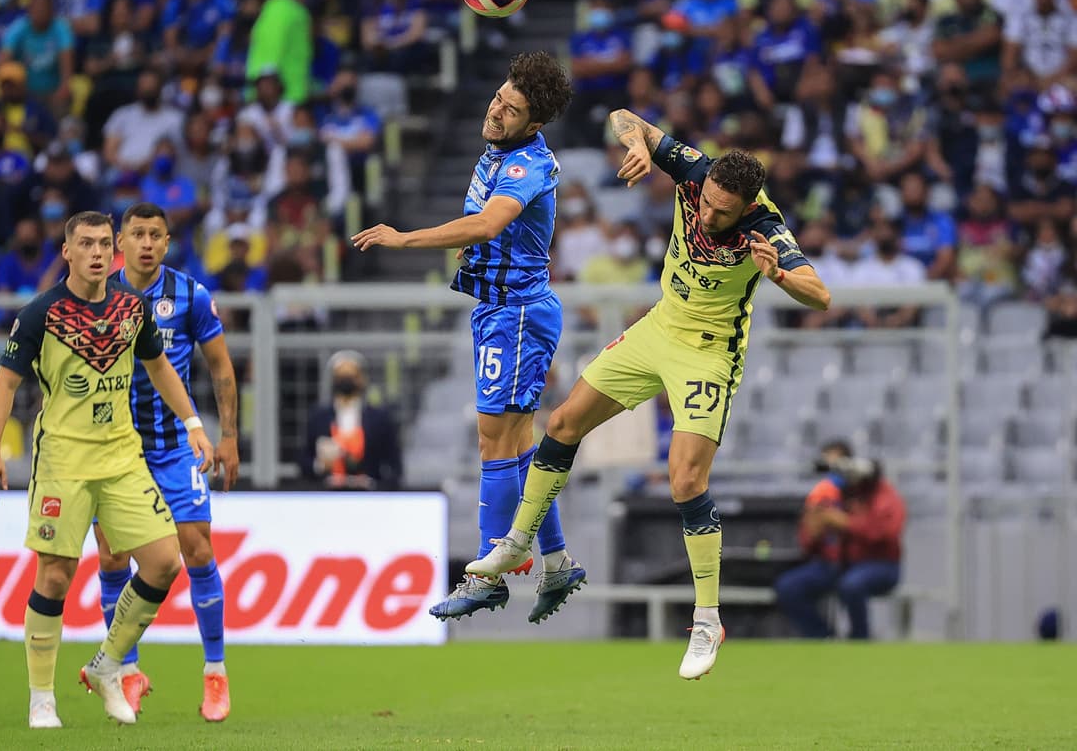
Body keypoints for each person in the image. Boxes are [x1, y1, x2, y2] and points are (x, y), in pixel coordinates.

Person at [468, 109, 831, 680]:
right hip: (658, 327)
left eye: (720, 211)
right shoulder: (694, 170)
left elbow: (821, 294)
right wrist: (636, 140)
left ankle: (707, 619)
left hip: (709, 351)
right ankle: (518, 542)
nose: (707, 212)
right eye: (705, 201)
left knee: (686, 479)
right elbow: (621, 116)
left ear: (746, 207)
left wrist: (781, 276)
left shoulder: (765, 225)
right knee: (561, 424)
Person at [352, 51, 584, 624]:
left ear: (534, 123)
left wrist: (403, 239)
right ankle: (555, 563)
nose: (497, 111)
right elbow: (492, 231)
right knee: (518, 444)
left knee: (493, 441)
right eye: (499, 98)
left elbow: (488, 222)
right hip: (499, 310)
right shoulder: (498, 150)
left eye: (512, 109)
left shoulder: (526, 163)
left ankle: (485, 573)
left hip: (518, 313)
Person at [0, 210, 221, 729]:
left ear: (114, 252)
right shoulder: (41, 312)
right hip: (64, 461)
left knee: (163, 561)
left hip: (121, 457)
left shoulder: (133, 310)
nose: (95, 252)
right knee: (57, 575)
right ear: (66, 252)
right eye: (84, 243)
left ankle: (108, 664)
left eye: (103, 244)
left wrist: (194, 422)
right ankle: (42, 697)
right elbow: (4, 385)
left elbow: (160, 368)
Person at [92, 202, 241, 722]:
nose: (148, 243)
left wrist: (229, 437)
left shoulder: (190, 295)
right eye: (138, 234)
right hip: (112, 449)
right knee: (112, 557)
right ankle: (127, 672)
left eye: (156, 234)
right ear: (120, 243)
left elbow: (220, 367)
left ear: (168, 241)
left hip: (176, 445)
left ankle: (215, 673)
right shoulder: (98, 296)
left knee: (197, 549)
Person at [775, 449, 905, 640]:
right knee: (788, 586)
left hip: (879, 564)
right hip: (838, 564)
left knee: (852, 584)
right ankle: (823, 638)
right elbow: (809, 542)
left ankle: (860, 640)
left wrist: (845, 522)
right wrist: (814, 532)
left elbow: (885, 532)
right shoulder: (832, 493)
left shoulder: (884, 495)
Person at [302, 350, 403, 490]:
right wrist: (321, 465)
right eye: (341, 376)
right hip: (328, 496)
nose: (346, 380)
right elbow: (303, 462)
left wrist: (379, 487)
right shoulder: (319, 417)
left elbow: (394, 465)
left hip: (369, 497)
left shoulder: (379, 418)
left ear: (362, 379)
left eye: (351, 375)